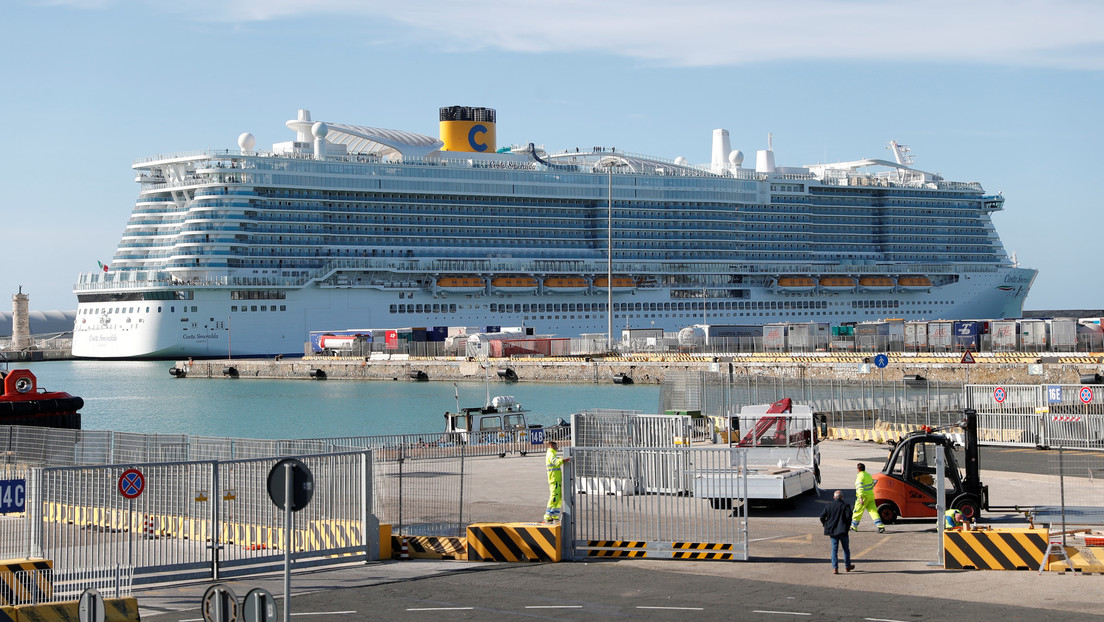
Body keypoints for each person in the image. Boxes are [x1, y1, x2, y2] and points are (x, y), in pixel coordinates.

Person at [820, 490, 856, 574]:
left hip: (832, 531)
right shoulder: (846, 506)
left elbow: (822, 516)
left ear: (834, 497)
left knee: (834, 549)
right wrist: (847, 526)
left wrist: (825, 524)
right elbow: (849, 517)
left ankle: (835, 568)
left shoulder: (829, 506)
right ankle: (847, 566)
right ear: (842, 497)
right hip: (843, 530)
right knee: (846, 549)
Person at [851, 463, 885, 533]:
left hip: (863, 497)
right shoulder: (868, 475)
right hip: (871, 496)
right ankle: (880, 526)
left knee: (858, 511)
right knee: (873, 511)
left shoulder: (860, 476)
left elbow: (859, 487)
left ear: (858, 469)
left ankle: (853, 527)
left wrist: (860, 497)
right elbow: (872, 484)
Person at [544, 440, 571, 522]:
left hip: (556, 479)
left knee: (558, 497)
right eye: (556, 446)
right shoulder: (551, 454)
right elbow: (556, 462)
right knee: (554, 496)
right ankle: (548, 515)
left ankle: (555, 514)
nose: (557, 448)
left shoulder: (552, 453)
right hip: (554, 479)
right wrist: (565, 460)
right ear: (552, 446)